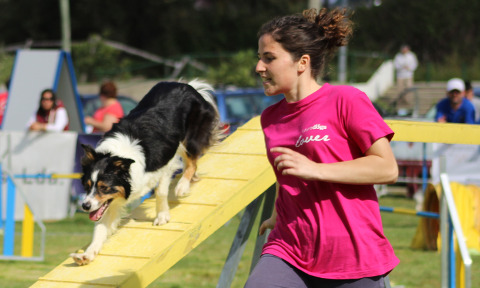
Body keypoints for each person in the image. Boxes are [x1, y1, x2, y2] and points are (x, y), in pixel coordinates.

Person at [245, 8, 399, 288]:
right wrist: (278, 215)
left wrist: (317, 169)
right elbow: (288, 173)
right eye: (259, 59)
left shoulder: (347, 99)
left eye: (269, 58)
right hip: (289, 248)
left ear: (302, 62)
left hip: (352, 254)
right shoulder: (269, 118)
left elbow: (387, 168)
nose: (259, 68)